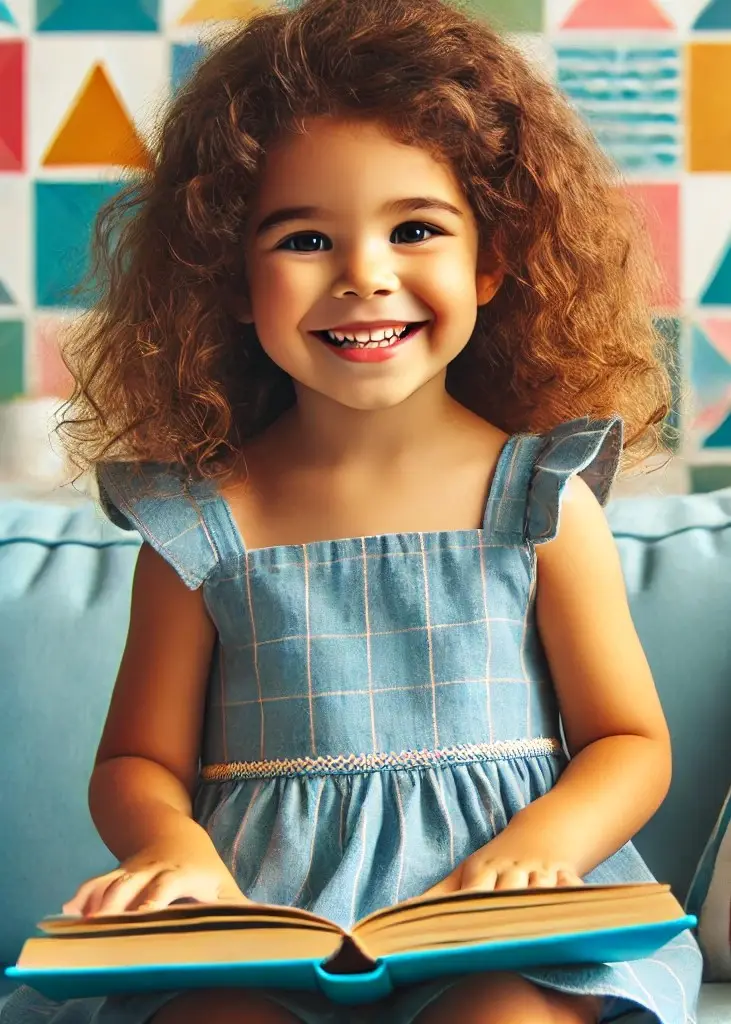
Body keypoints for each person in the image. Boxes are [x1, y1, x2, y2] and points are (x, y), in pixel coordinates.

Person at [3, 0, 702, 1021]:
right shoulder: (200, 520)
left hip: (496, 925)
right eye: (303, 238)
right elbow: (138, 761)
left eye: (414, 228)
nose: (364, 276)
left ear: (490, 260)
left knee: (500, 1014)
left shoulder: (538, 496)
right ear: (231, 279)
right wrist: (171, 845)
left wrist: (537, 851)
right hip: (263, 930)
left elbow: (627, 741)